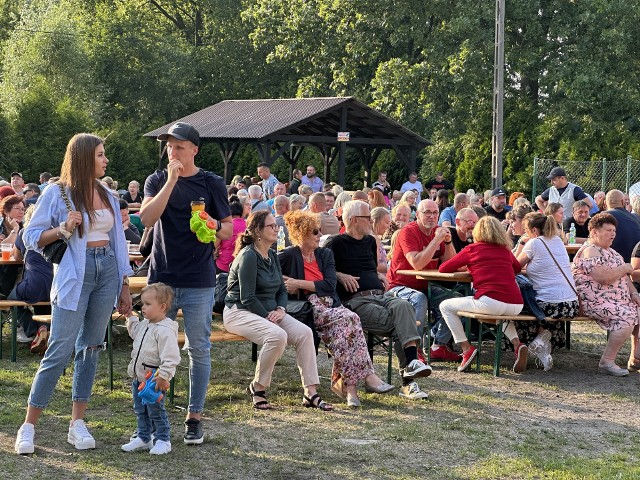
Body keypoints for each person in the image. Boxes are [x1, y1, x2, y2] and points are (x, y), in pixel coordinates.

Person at [15, 133, 133, 455]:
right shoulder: (57, 192)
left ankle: (77, 422)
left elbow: (120, 243)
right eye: (100, 154)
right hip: (74, 274)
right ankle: (28, 425)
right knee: (59, 348)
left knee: (91, 347)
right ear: (82, 157)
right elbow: (31, 236)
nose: (105, 160)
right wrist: (64, 228)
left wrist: (124, 283)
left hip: (107, 270)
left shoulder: (107, 193)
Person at [140, 122, 232, 444]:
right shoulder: (157, 179)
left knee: (199, 350)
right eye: (169, 146)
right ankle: (152, 416)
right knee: (151, 348)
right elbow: (148, 219)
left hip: (198, 280)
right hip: (162, 278)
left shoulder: (212, 182)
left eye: (179, 146)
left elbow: (227, 230)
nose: (173, 151)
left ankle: (194, 417)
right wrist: (172, 180)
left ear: (194, 149)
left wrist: (211, 225)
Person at [279, 210, 394, 407]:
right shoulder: (288, 255)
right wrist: (298, 284)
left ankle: (351, 389)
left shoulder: (325, 254)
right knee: (350, 320)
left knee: (346, 328)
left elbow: (330, 285)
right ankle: (362, 381)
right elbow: (273, 277)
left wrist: (298, 283)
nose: (319, 236)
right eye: (315, 232)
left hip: (330, 304)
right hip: (308, 308)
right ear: (302, 234)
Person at [223, 210, 332, 411]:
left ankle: (311, 393)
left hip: (271, 311)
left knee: (305, 333)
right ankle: (258, 388)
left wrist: (281, 309)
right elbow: (247, 297)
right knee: (277, 335)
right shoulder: (248, 256)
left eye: (276, 225)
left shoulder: (272, 255)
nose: (276, 229)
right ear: (257, 230)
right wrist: (269, 316)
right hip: (239, 311)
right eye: (271, 226)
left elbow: (282, 289)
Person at [325, 200, 432, 400]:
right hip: (356, 301)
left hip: (381, 294)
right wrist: (340, 275)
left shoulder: (369, 241)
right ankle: (409, 381)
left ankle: (411, 365)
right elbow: (324, 272)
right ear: (354, 220)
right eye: (368, 217)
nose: (371, 221)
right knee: (403, 323)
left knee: (404, 305)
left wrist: (378, 276)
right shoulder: (335, 243)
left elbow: (370, 267)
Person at [438, 216, 527, 373]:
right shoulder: (504, 250)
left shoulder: (473, 249)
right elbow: (517, 268)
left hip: (490, 301)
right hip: (516, 304)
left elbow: (444, 268)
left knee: (445, 306)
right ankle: (517, 344)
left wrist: (469, 266)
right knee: (501, 315)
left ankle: (466, 349)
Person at [386, 200, 460, 362]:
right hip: (399, 286)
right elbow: (417, 264)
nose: (432, 217)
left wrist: (447, 242)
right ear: (417, 215)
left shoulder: (438, 232)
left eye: (435, 213)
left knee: (455, 300)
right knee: (420, 299)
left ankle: (438, 345)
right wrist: (436, 240)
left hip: (426, 286)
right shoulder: (408, 232)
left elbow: (451, 264)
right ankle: (414, 349)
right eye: (427, 212)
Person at [571, 212, 640, 376]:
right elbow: (602, 277)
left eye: (614, 231)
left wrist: (634, 293)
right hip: (595, 301)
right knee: (627, 317)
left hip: (616, 300)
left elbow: (626, 279)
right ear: (594, 232)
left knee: (638, 309)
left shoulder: (611, 252)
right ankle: (607, 361)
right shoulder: (590, 251)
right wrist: (625, 268)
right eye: (608, 230)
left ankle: (636, 358)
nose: (613, 234)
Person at [514, 212, 579, 370]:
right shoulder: (557, 240)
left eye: (526, 231)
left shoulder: (534, 243)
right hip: (571, 304)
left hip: (550, 305)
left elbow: (514, 266)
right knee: (540, 301)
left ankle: (533, 341)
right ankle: (543, 350)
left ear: (534, 231)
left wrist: (522, 243)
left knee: (520, 308)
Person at [121, 283, 180, 455]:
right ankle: (144, 437)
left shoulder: (165, 331)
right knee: (140, 410)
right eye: (143, 303)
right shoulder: (146, 324)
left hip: (153, 380)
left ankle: (163, 439)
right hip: (138, 378)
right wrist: (130, 316)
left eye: (147, 304)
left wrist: (164, 375)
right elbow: (135, 332)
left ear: (162, 307)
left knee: (156, 411)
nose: (143, 307)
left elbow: (171, 357)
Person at [9, 204, 53, 352]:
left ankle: (32, 331)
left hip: (33, 286)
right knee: (43, 299)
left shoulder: (25, 232)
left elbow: (16, 256)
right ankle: (45, 329)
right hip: (56, 286)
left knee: (11, 299)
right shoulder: (55, 233)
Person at [0, 195, 26, 298]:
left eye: (23, 209)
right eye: (17, 208)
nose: (21, 212)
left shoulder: (26, 227)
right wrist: (15, 230)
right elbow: (3, 248)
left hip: (20, 267)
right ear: (6, 211)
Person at [605, 190, 640, 263]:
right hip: (635, 261)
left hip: (615, 262)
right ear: (623, 202)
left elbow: (593, 241)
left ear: (605, 203)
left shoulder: (604, 217)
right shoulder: (635, 217)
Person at [215, 200, 246, 274]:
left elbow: (214, 245)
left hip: (224, 265)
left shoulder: (224, 226)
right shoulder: (248, 225)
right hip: (242, 265)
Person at [371, 207, 391, 274]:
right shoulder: (374, 239)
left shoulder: (372, 237)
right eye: (387, 223)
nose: (388, 226)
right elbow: (376, 265)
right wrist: (394, 267)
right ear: (376, 221)